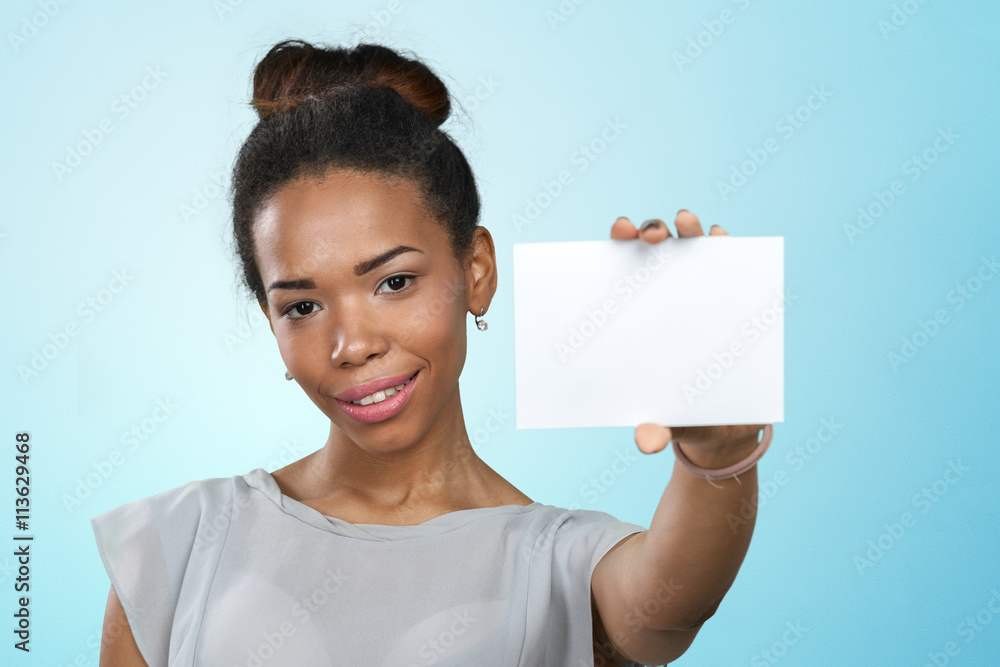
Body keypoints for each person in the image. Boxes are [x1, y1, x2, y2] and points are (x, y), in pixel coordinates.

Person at [90, 39, 773, 667]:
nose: (352, 344)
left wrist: (717, 455)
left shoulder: (558, 564)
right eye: (301, 305)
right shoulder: (178, 543)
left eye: (393, 281)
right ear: (271, 321)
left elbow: (669, 605)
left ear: (474, 271)